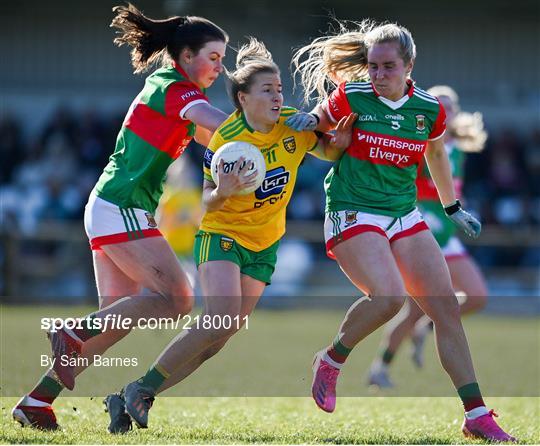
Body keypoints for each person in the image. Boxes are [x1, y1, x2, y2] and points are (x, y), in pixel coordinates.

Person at [104, 37, 356, 432]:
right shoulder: (227, 139)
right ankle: (143, 388)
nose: (277, 97)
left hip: (265, 244)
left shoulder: (290, 124)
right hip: (222, 235)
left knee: (217, 342)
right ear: (242, 98)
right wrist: (223, 189)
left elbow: (327, 152)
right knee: (219, 319)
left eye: (279, 90)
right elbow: (209, 202)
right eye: (267, 91)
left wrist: (337, 144)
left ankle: (132, 393)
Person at [286, 19, 515, 442]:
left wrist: (453, 207)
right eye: (373, 66)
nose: (378, 75)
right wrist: (310, 124)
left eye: (388, 66)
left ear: (409, 65)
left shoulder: (429, 108)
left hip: (405, 214)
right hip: (353, 211)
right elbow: (321, 131)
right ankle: (331, 360)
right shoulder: (353, 95)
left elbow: (436, 155)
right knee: (389, 298)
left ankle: (476, 415)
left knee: (445, 311)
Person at [12, 3, 229, 431]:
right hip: (122, 206)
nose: (220, 68)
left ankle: (37, 401)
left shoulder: (171, 89)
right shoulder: (176, 88)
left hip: (112, 206)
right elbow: (223, 128)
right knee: (178, 299)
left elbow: (216, 141)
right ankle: (71, 329)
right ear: (186, 57)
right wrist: (276, 125)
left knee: (112, 325)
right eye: (214, 57)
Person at [368, 85, 489, 387]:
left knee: (476, 296)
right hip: (423, 232)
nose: (445, 111)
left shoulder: (458, 149)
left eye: (451, 106)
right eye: (440, 105)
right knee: (410, 309)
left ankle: (425, 327)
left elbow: (453, 190)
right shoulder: (419, 144)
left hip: (448, 235)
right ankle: (380, 368)